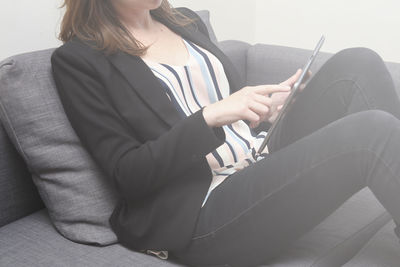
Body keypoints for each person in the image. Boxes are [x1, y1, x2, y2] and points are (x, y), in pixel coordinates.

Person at [51, 0, 400, 266]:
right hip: (205, 208)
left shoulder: (185, 21)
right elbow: (128, 173)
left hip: (258, 157)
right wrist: (209, 117)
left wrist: (269, 108)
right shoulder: (80, 60)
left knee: (359, 62)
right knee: (372, 131)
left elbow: (229, 112)